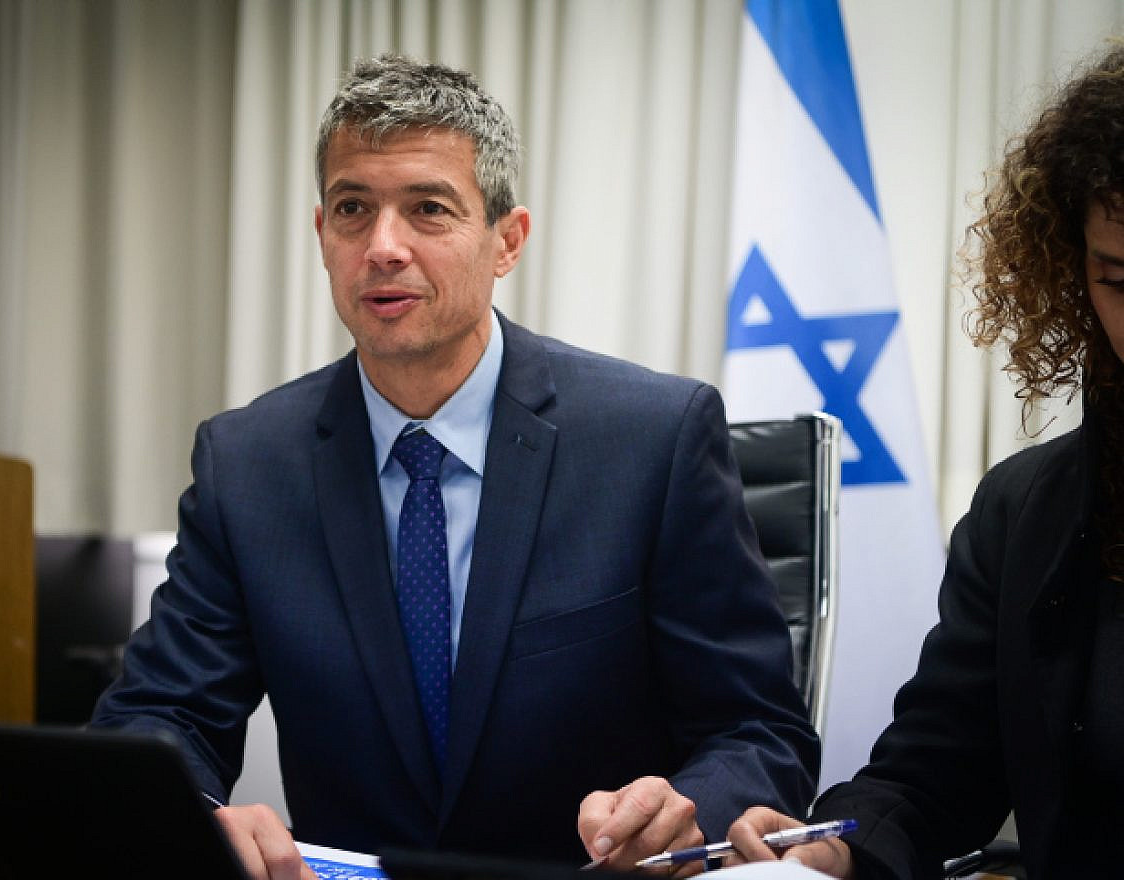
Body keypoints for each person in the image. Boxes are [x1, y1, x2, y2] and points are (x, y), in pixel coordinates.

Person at [91, 53, 817, 878]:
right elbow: (160, 713)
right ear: (321, 234)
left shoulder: (653, 437)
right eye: (352, 209)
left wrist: (680, 816)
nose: (383, 247)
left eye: (428, 209)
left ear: (507, 241)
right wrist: (193, 816)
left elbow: (760, 732)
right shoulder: (249, 462)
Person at [722, 43, 1124, 880]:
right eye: (1119, 278)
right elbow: (934, 772)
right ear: (1072, 274)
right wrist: (831, 848)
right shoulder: (1028, 512)